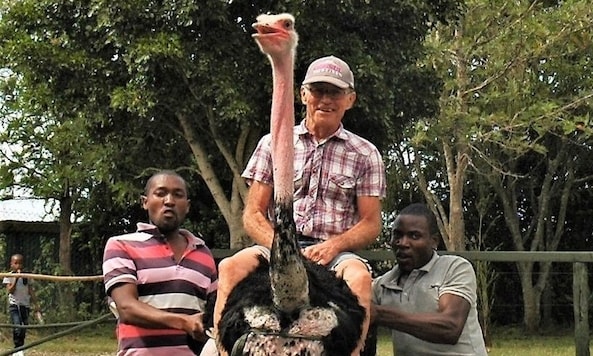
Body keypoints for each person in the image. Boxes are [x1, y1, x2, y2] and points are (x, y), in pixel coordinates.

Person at [213, 55, 386, 355]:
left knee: (360, 278)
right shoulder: (273, 143)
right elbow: (253, 214)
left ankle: (353, 352)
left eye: (334, 93)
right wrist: (283, 249)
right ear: (303, 94)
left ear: (350, 99)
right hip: (276, 247)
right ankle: (222, 349)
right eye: (318, 91)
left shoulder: (365, 154)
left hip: (332, 252)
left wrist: (333, 246)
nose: (325, 100)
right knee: (229, 268)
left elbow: (371, 223)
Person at [102, 170, 218, 356]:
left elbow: (215, 312)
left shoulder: (203, 254)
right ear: (145, 202)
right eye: (160, 193)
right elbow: (127, 308)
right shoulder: (121, 245)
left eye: (178, 195)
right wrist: (184, 322)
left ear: (187, 206)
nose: (169, 201)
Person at [370, 203, 488, 356]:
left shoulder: (454, 268)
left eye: (414, 236)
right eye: (397, 235)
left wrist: (379, 314)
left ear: (434, 241)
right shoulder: (382, 285)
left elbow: (450, 327)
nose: (403, 243)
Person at [3, 253, 39, 354]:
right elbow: (10, 290)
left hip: (25, 305)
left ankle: (21, 348)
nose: (18, 266)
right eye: (16, 263)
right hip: (14, 305)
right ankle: (17, 348)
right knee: (17, 326)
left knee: (24, 327)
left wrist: (36, 304)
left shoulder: (26, 276)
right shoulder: (8, 276)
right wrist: (16, 278)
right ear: (11, 264)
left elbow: (31, 290)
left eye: (20, 263)